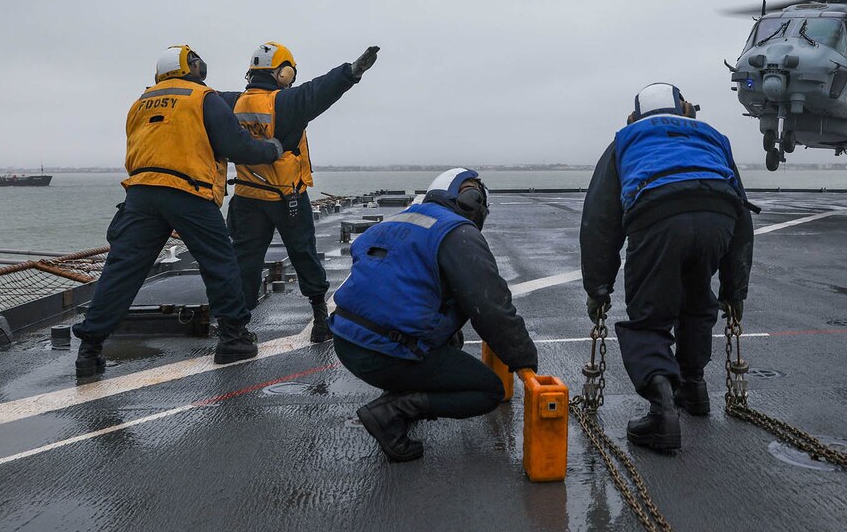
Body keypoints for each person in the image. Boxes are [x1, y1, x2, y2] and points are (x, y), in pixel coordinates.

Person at [72, 46, 285, 377]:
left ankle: (89, 349)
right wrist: (270, 150)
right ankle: (233, 339)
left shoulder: (140, 103)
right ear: (194, 67)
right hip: (188, 192)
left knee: (121, 270)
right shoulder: (202, 97)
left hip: (141, 194)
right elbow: (235, 146)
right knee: (220, 262)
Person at [580, 83, 755, 451]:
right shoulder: (712, 138)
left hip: (657, 216)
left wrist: (598, 287)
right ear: (685, 110)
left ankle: (661, 413)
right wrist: (734, 291)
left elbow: (600, 221)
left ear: (635, 116)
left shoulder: (625, 142)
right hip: (718, 216)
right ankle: (693, 389)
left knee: (649, 317)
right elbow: (741, 215)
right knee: (696, 302)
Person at [330, 168, 538, 462]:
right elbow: (491, 306)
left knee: (452, 338)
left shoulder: (393, 223)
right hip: (382, 352)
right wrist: (524, 359)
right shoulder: (457, 232)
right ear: (471, 202)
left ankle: (400, 395)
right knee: (487, 390)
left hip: (346, 340)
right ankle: (392, 412)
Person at [221, 42, 379, 343]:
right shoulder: (287, 102)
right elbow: (319, 90)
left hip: (246, 197)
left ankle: (233, 332)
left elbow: (202, 99)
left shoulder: (232, 102)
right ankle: (320, 320)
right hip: (286, 198)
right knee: (304, 254)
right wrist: (351, 73)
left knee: (244, 263)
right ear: (283, 73)